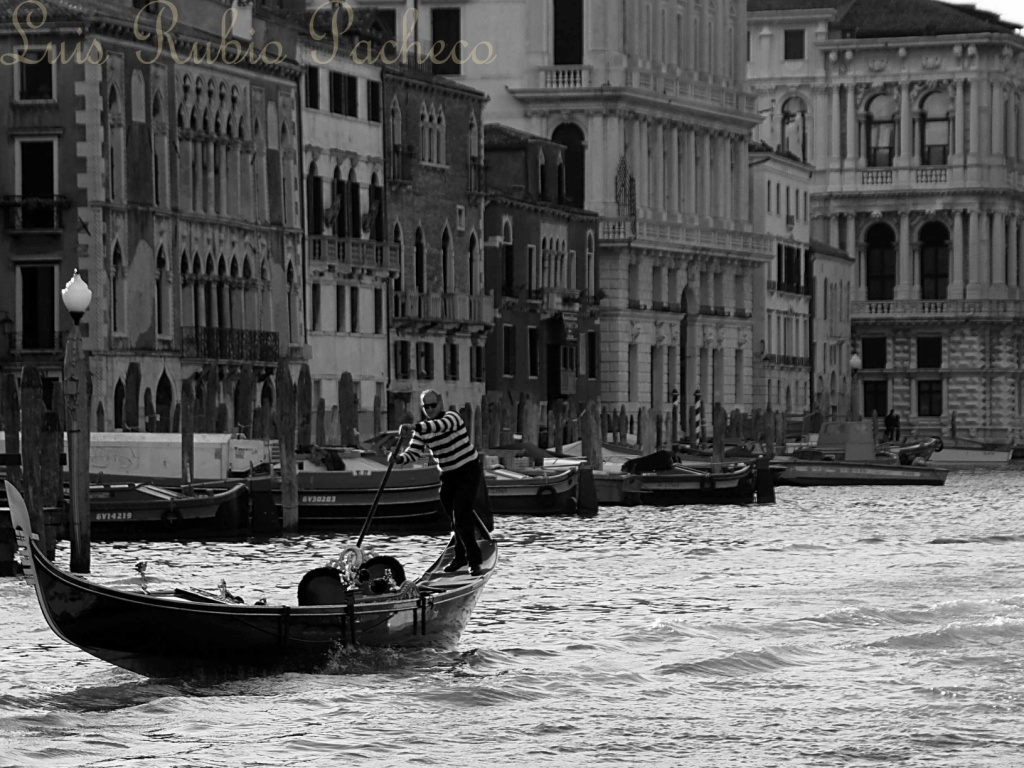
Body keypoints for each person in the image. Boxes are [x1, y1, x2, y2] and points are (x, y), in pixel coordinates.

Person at [392, 390, 484, 575]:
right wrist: (399, 459)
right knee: (454, 520)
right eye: (426, 407)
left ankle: (474, 561)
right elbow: (414, 452)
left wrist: (413, 427)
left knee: (461, 516)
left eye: (433, 405)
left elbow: (440, 426)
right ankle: (460, 557)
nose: (430, 409)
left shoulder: (452, 417)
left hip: (468, 470)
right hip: (449, 475)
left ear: (440, 403)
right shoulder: (423, 430)